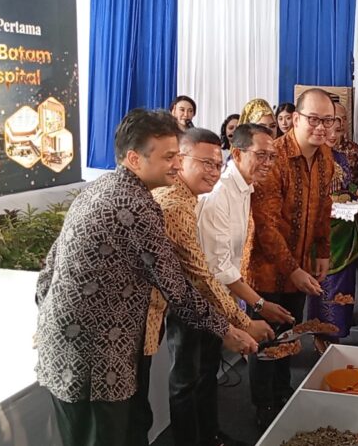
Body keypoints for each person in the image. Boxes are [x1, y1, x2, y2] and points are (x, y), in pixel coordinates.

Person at [34, 109, 256, 446]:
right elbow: (178, 288)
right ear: (135, 159)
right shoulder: (135, 204)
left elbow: (48, 269)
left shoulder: (100, 188)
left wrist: (52, 321)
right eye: (169, 157)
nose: (177, 166)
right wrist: (228, 329)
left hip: (69, 346)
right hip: (96, 360)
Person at [148, 127, 275, 446]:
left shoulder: (231, 189)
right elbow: (207, 272)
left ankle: (208, 435)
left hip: (206, 298)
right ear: (179, 159)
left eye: (217, 164)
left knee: (204, 373)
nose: (213, 171)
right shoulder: (190, 199)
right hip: (188, 301)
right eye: (205, 163)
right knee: (185, 379)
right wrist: (247, 316)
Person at [242, 88, 335, 428]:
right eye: (314, 119)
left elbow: (325, 205)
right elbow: (264, 224)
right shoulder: (273, 157)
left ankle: (284, 393)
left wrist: (322, 249)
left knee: (290, 333)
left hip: (300, 263)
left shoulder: (325, 156)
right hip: (266, 269)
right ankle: (263, 407)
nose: (321, 127)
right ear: (295, 119)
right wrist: (293, 269)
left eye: (328, 121)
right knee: (266, 336)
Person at [198, 124, 295, 326]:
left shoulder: (245, 188)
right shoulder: (219, 194)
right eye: (260, 155)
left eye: (272, 156)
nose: (268, 163)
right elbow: (219, 266)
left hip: (221, 298)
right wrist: (259, 304)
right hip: (201, 302)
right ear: (237, 154)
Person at [307, 101, 358, 354]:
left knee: (342, 287)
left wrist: (356, 192)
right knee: (322, 286)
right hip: (321, 234)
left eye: (338, 131)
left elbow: (349, 185)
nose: (333, 136)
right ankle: (320, 335)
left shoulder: (342, 156)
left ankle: (337, 336)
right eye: (329, 130)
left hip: (344, 233)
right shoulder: (310, 158)